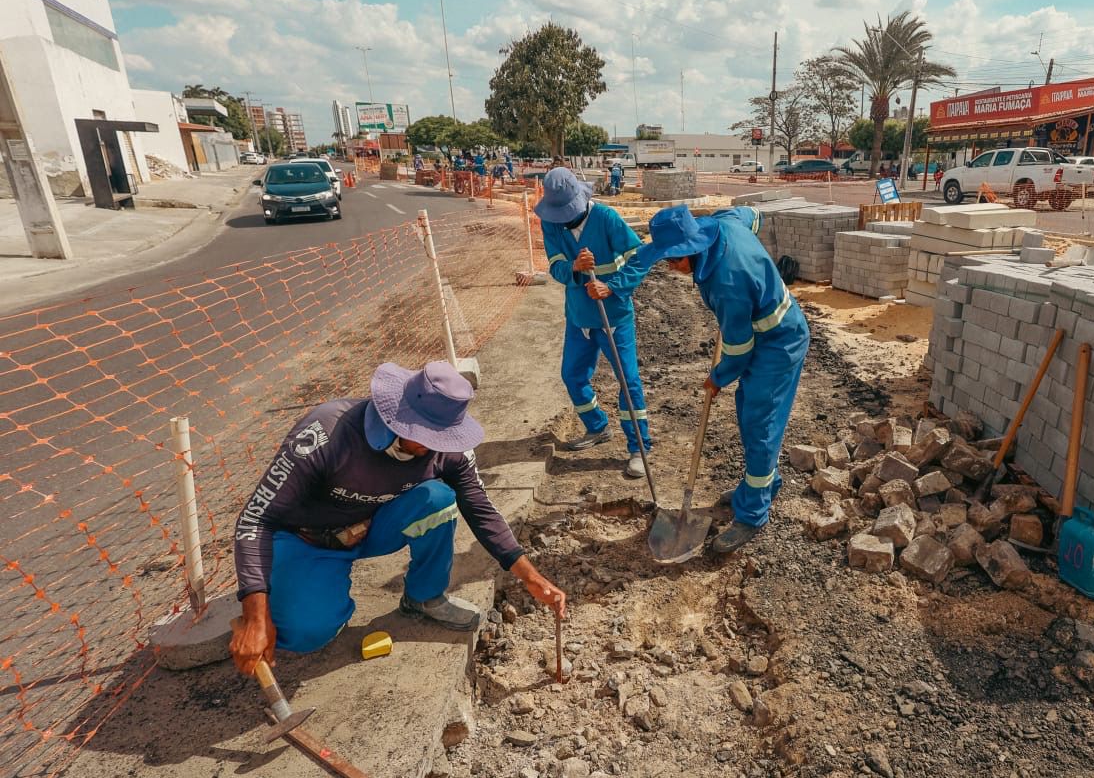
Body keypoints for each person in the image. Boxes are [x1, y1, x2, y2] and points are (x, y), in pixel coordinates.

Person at [228, 361, 567, 674]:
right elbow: (255, 518)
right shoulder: (327, 432)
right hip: (304, 538)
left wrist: (530, 576)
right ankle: (298, 593)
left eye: (443, 437)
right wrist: (255, 615)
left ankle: (424, 597)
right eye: (427, 437)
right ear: (400, 418)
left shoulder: (448, 449)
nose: (435, 447)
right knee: (306, 634)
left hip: (371, 526)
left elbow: (479, 507)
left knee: (439, 500)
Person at [636, 204, 808, 553]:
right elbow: (752, 214)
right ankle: (762, 484)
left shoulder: (727, 281)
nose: (670, 267)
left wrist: (717, 378)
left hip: (779, 342)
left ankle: (753, 514)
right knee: (749, 413)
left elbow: (739, 349)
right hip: (761, 332)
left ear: (693, 248)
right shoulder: (722, 223)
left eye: (674, 259)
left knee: (761, 425)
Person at [535, 167, 653, 478]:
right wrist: (574, 267)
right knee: (572, 375)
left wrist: (611, 286)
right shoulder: (550, 223)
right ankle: (597, 426)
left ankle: (638, 447)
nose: (562, 219)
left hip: (613, 316)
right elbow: (555, 266)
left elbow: (639, 258)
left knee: (628, 381)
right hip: (579, 317)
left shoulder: (606, 218)